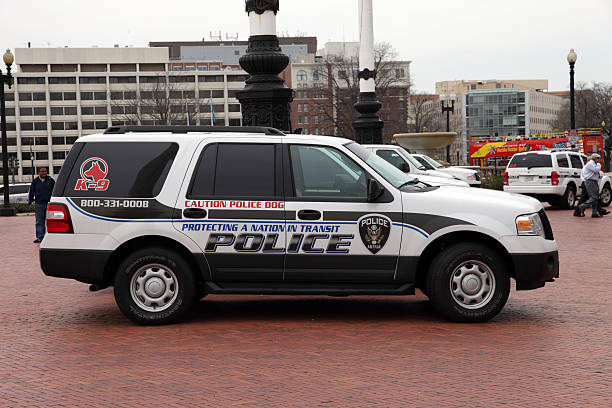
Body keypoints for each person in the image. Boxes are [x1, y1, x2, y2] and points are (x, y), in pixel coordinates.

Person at [28, 167, 56, 243]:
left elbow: (55, 191)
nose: (44, 173)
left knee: (52, 221)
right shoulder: (35, 181)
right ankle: (40, 237)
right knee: (39, 222)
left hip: (50, 204)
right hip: (39, 204)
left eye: (45, 171)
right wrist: (30, 203)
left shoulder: (51, 180)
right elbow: (31, 192)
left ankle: (53, 236)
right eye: (42, 171)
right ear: (38, 172)